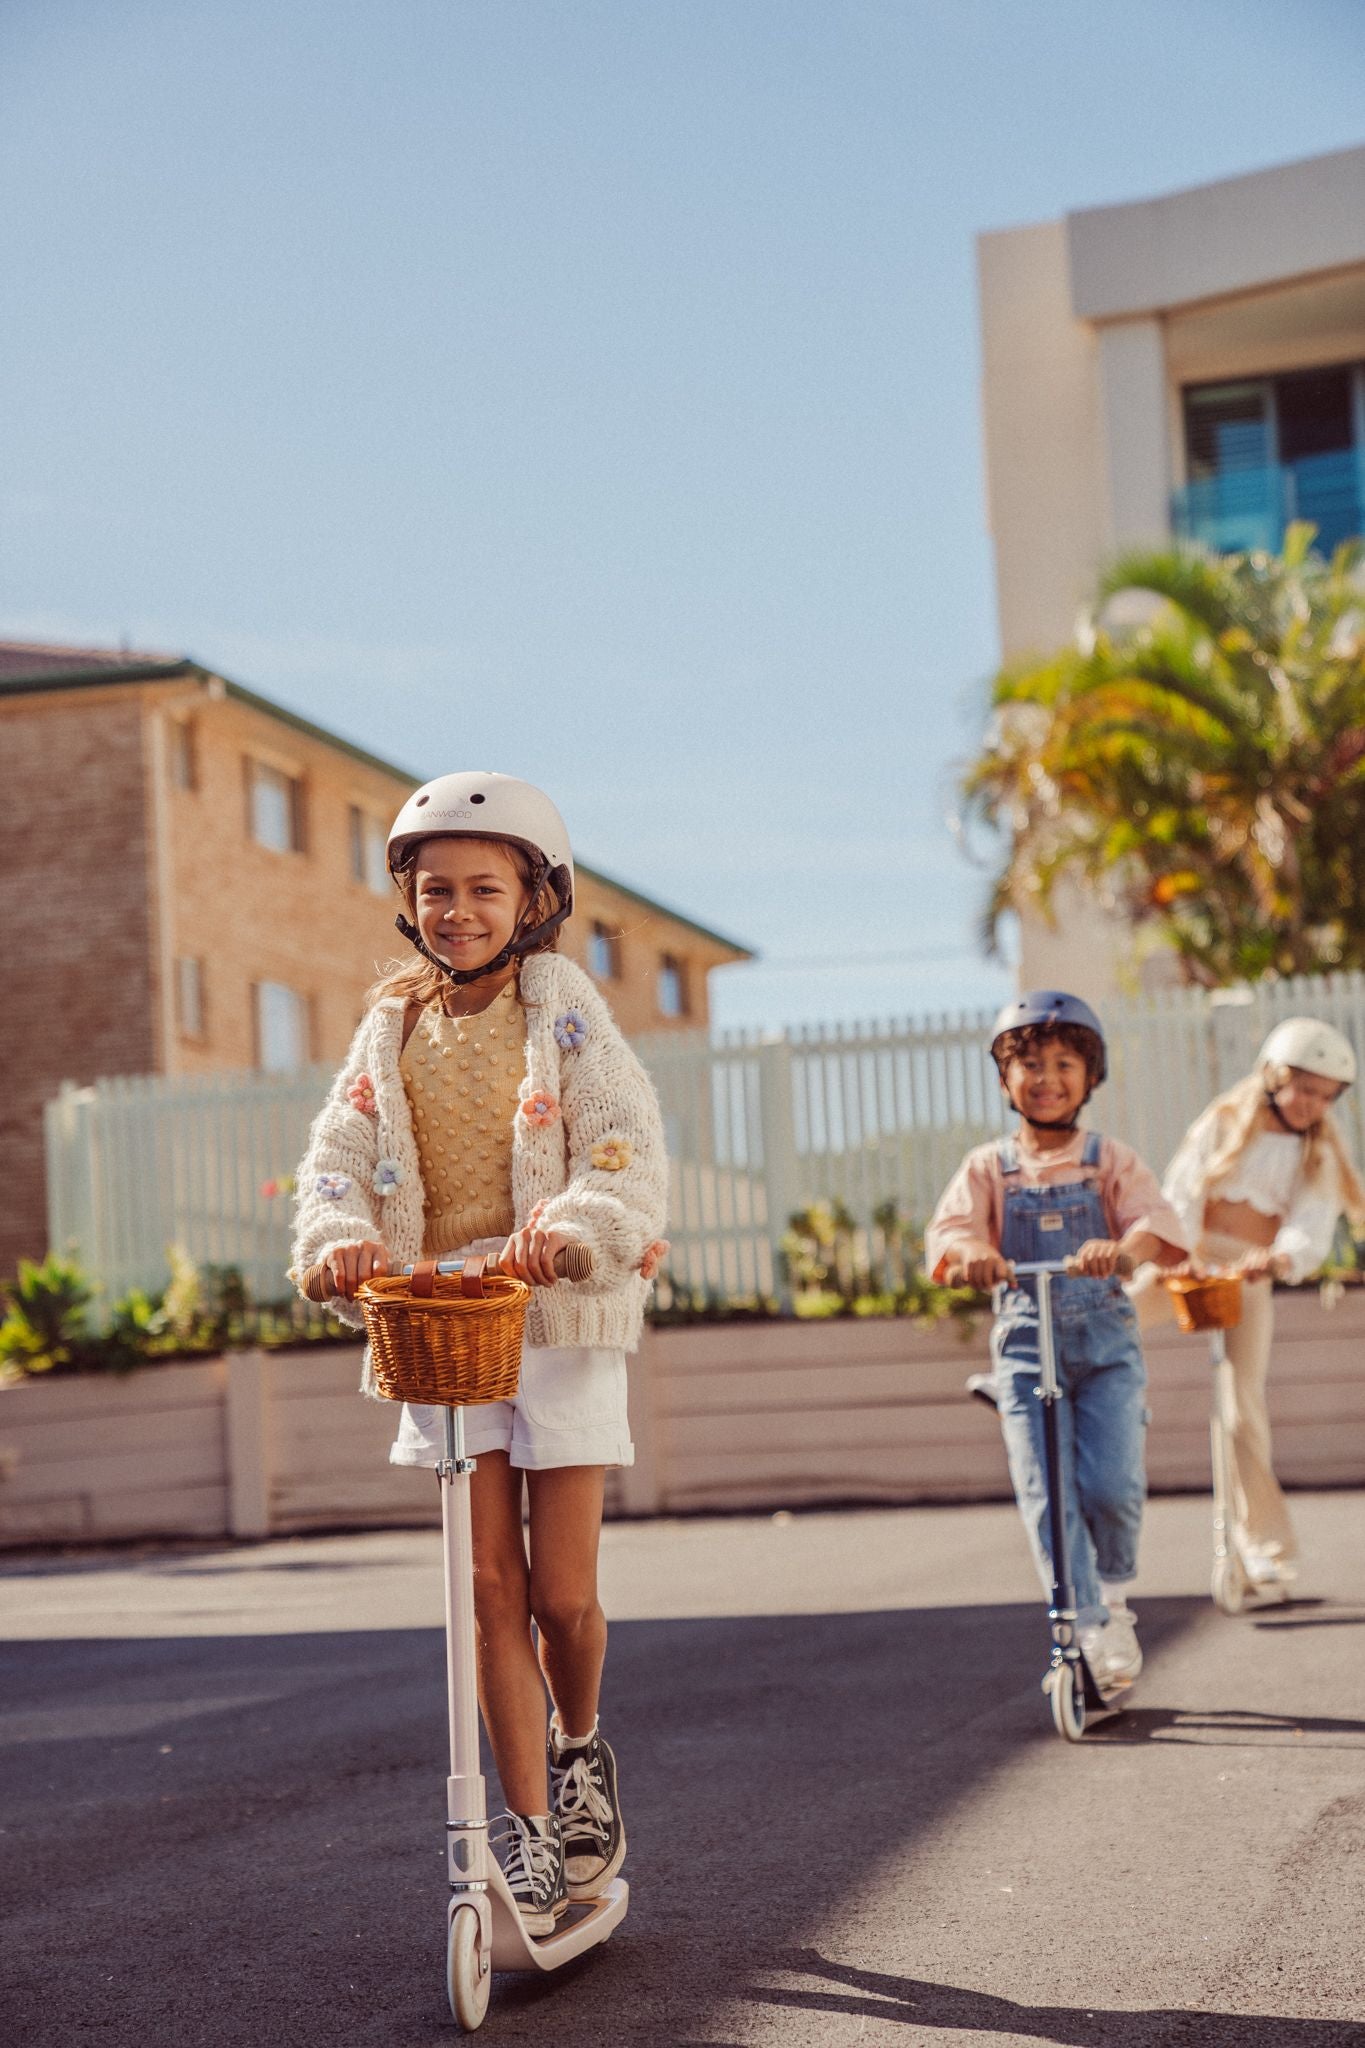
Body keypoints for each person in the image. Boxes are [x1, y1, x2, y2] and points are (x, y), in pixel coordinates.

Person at [291, 772, 667, 1934]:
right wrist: (339, 1236)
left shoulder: (564, 1011)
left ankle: (579, 1745)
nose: (458, 908)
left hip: (551, 1319)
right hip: (444, 1328)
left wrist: (578, 1231)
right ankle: (526, 1828)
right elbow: (337, 1157)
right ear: (409, 901)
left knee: (562, 1595)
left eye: (484, 888)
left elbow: (622, 1145)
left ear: (534, 897)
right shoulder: (390, 1026)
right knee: (486, 1586)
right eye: (436, 888)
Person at [925, 992, 1188, 1689]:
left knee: (1109, 1485)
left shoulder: (1108, 1160)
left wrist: (1124, 1250)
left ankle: (1116, 1605)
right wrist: (971, 1254)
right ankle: (1078, 1629)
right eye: (1030, 1064)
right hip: (1021, 1345)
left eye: (1064, 1063)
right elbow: (950, 1234)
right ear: (1005, 1079)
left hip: (1103, 1347)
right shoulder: (988, 1167)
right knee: (1047, 1493)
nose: (1046, 1077)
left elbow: (1155, 1223)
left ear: (1089, 1075)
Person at [1130, 1017, 1364, 1594]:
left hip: (1247, 1274)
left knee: (1240, 1408)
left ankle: (1263, 1547)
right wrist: (1179, 1252)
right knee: (1115, 1316)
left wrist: (1279, 1260)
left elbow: (1311, 1227)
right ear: (1273, 1076)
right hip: (1189, 1260)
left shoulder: (1320, 1153)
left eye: (1324, 1095)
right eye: (1303, 1088)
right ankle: (1039, 1366)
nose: (1311, 1104)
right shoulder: (1225, 1121)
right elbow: (1181, 1190)